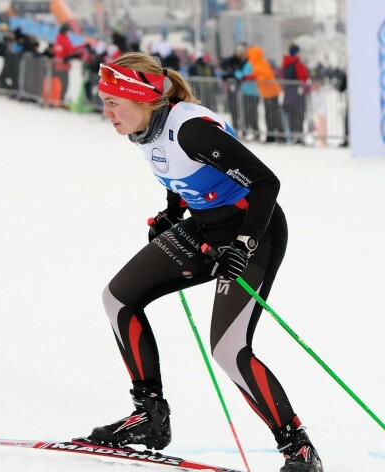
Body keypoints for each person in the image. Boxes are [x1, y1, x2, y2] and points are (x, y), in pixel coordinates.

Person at [78, 52, 323, 472]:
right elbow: (179, 174)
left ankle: (298, 449)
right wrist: (173, 211)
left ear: (139, 99)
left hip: (255, 230)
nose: (106, 112)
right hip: (207, 227)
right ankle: (150, 416)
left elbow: (266, 183)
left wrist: (244, 242)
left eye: (112, 102)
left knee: (228, 349)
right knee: (118, 299)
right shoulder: (147, 128)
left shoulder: (189, 130)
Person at [281, 44, 310, 143]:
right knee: (299, 115)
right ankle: (299, 136)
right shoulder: (297, 63)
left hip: (289, 93)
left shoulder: (285, 63)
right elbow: (303, 76)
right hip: (297, 93)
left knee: (291, 115)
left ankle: (294, 135)